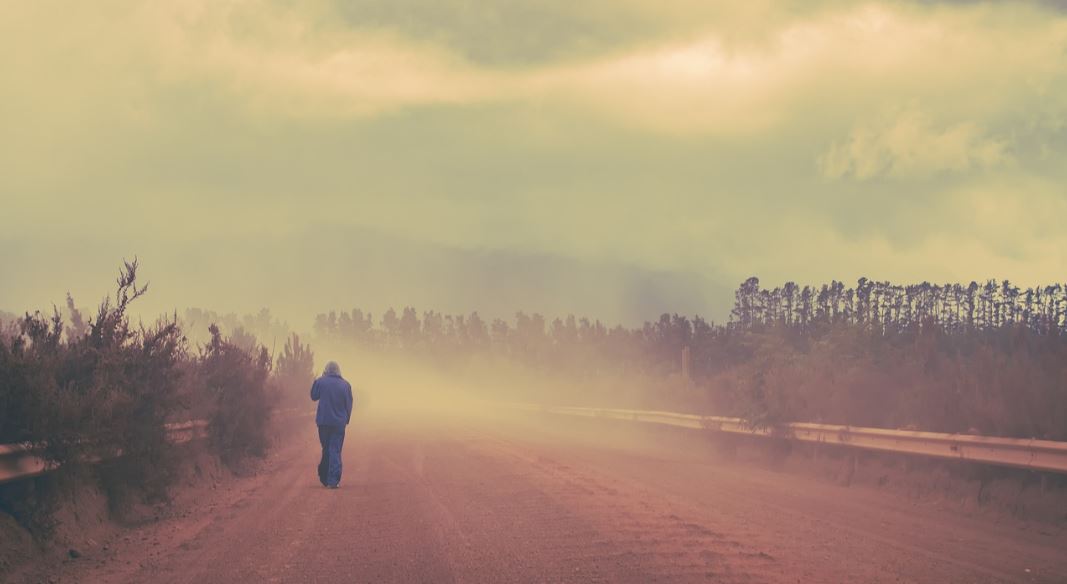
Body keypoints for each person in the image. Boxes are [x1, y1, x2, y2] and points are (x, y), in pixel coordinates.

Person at [310, 361, 353, 489]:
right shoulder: (345, 385)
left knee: (326, 448)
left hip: (323, 422)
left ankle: (324, 477)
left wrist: (315, 381)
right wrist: (346, 419)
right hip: (339, 423)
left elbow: (313, 396)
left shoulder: (321, 382)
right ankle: (333, 480)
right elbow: (348, 404)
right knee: (335, 449)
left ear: (326, 370)